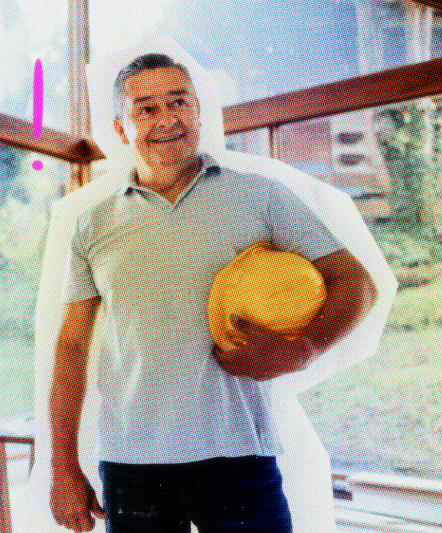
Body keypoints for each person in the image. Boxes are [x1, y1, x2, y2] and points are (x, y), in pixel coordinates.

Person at [48, 53, 379, 533]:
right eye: (146, 108)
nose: (166, 118)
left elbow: (356, 282)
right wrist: (62, 468)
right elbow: (71, 345)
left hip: (238, 455)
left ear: (199, 111)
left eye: (178, 101)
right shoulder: (92, 225)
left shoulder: (261, 196)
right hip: (132, 465)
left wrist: (304, 347)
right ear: (122, 129)